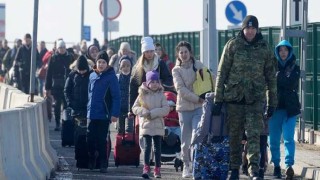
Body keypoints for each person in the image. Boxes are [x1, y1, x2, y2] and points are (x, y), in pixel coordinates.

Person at [213, 15, 277, 180]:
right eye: (247, 28)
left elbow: (271, 78)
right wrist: (218, 99)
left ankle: (254, 170)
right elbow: (222, 73)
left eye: (253, 28)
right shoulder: (233, 45)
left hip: (255, 100)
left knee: (254, 135)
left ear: (257, 29)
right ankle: (234, 169)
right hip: (234, 99)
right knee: (234, 136)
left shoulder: (265, 48)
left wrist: (272, 102)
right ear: (243, 29)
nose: (250, 31)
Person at [171, 41, 205, 178]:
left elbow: (209, 78)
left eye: (186, 52)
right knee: (185, 140)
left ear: (190, 52)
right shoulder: (176, 70)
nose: (184, 55)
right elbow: (181, 90)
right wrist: (197, 98)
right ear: (178, 55)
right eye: (181, 52)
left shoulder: (198, 65)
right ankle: (186, 164)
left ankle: (197, 163)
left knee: (197, 135)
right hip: (184, 108)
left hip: (198, 107)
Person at [268, 40, 300, 180]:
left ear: (289, 51)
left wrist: (278, 78)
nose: (283, 53)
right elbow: (269, 83)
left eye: (285, 50)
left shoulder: (295, 67)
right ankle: (276, 165)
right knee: (273, 140)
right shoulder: (271, 67)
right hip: (275, 108)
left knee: (288, 139)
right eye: (280, 50)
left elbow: (290, 83)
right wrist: (282, 78)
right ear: (277, 52)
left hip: (290, 109)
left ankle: (289, 166)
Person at [87, 51, 120, 173]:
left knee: (102, 139)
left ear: (107, 64)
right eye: (99, 62)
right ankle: (92, 156)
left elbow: (116, 96)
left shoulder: (111, 77)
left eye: (103, 62)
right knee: (89, 138)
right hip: (91, 113)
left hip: (104, 114)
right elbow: (89, 95)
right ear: (96, 63)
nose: (101, 64)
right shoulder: (92, 76)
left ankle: (103, 162)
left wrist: (114, 114)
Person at [132, 70, 170, 179]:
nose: (154, 84)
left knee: (158, 148)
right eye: (152, 82)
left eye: (156, 82)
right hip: (146, 125)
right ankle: (146, 167)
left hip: (158, 124)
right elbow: (135, 108)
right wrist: (143, 111)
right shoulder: (142, 95)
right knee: (147, 147)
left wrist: (153, 113)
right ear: (147, 83)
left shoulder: (161, 95)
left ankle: (157, 168)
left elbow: (166, 109)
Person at [129, 36, 173, 115]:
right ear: (143, 53)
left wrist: (159, 85)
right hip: (143, 102)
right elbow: (133, 87)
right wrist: (131, 109)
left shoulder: (160, 63)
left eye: (151, 51)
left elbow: (168, 79)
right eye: (147, 52)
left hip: (158, 100)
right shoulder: (138, 67)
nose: (149, 54)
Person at [45, 39, 72, 131]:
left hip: (67, 84)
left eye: (63, 47)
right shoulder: (53, 58)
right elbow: (49, 73)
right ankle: (57, 123)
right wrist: (47, 88)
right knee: (57, 104)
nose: (62, 49)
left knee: (66, 105)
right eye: (60, 47)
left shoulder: (70, 57)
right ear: (57, 48)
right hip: (56, 85)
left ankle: (65, 122)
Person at [64, 55, 91, 119]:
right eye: (79, 70)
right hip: (75, 107)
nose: (81, 72)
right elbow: (67, 90)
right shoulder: (72, 75)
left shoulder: (92, 75)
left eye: (83, 70)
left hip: (88, 107)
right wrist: (70, 103)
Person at [116, 55, 133, 134]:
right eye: (123, 66)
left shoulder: (133, 78)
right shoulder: (117, 78)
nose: (125, 68)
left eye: (128, 66)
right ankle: (120, 144)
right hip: (120, 107)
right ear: (120, 67)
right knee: (120, 129)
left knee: (130, 129)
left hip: (131, 108)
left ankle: (131, 144)